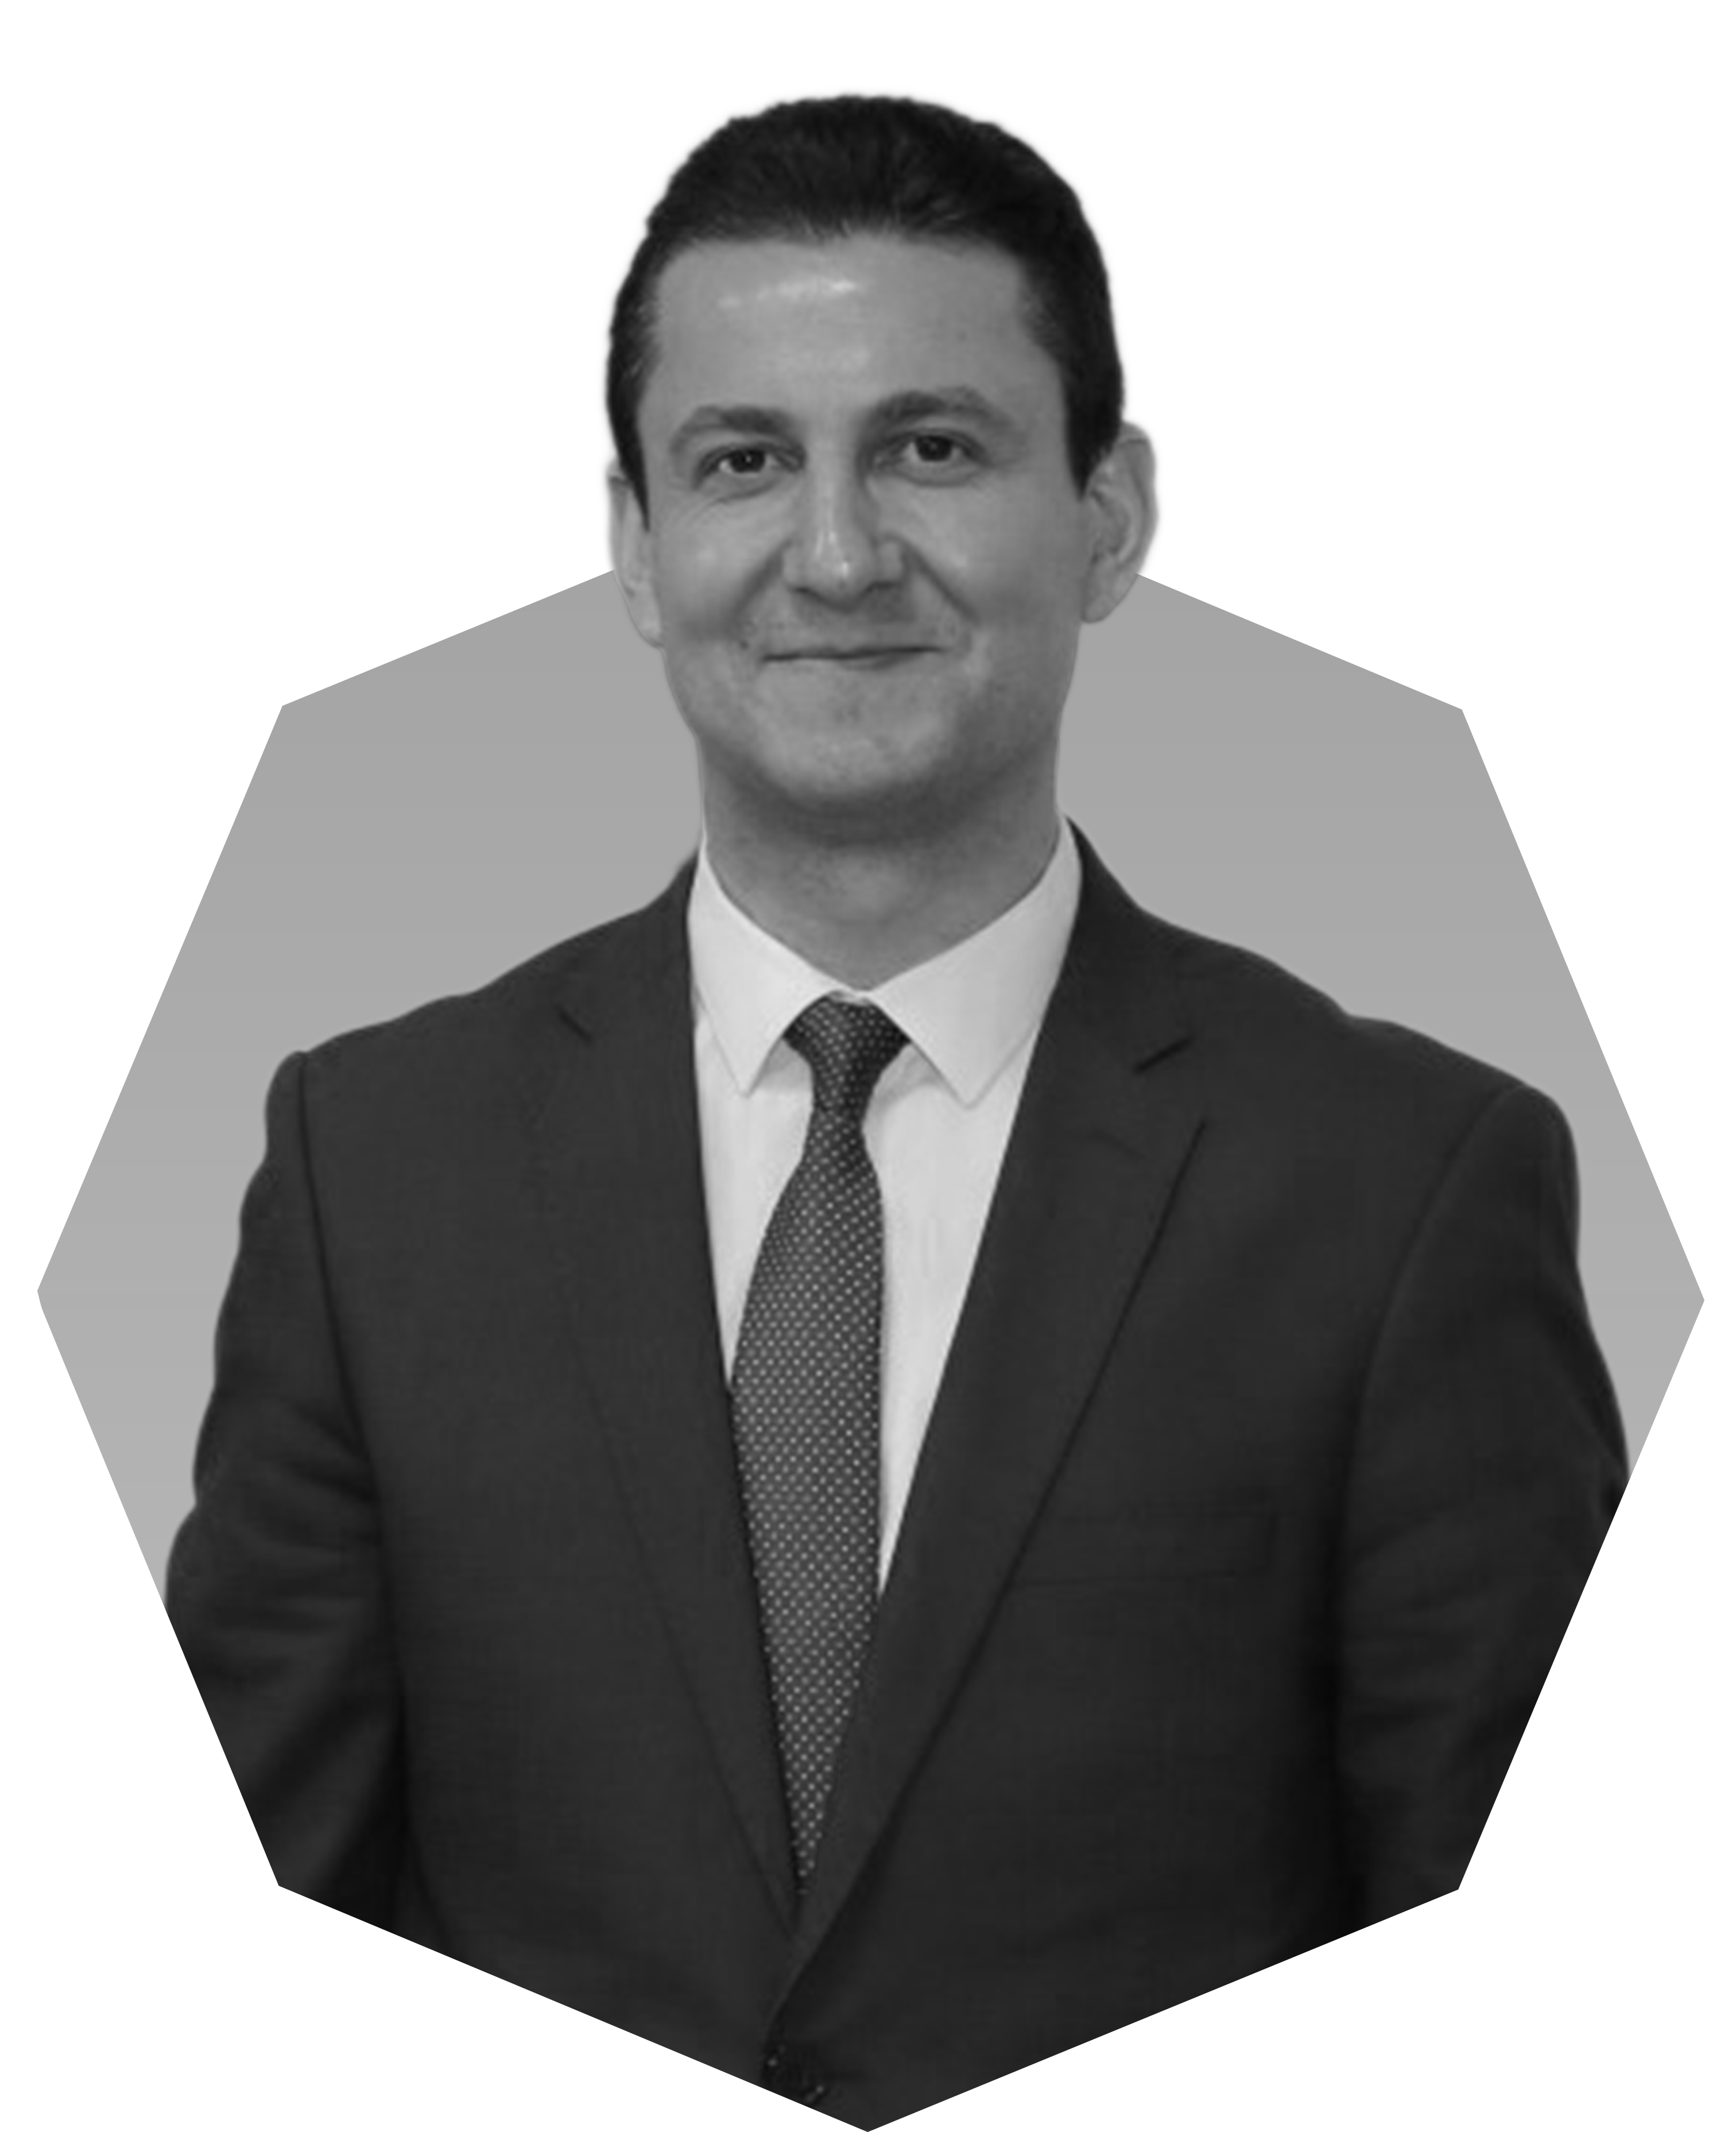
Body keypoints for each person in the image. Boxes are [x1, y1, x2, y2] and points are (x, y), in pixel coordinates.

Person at [166, 91, 1627, 2128]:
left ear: (1108, 515)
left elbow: (1532, 1999)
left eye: (932, 447)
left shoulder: (1402, 1188)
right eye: (742, 461)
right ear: (633, 541)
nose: (839, 553)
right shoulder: (373, 1168)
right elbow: (214, 1959)